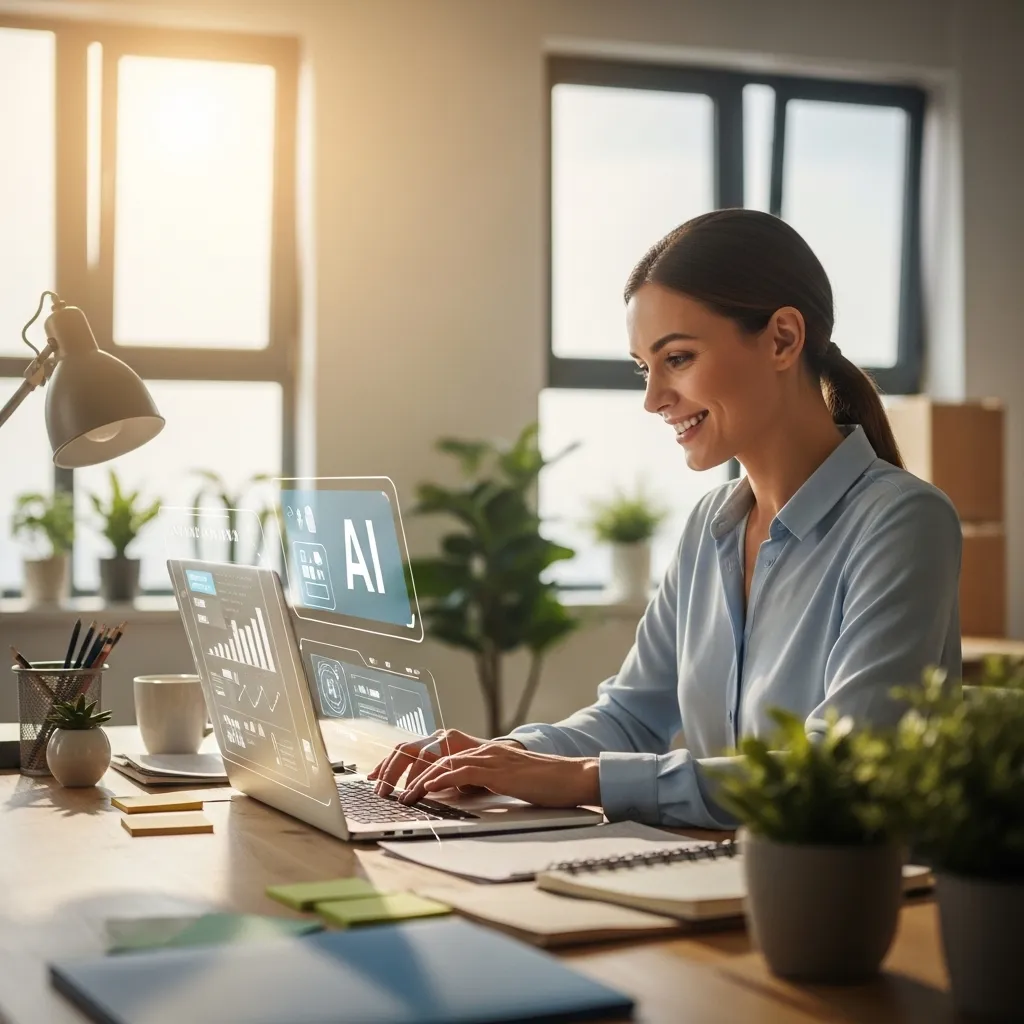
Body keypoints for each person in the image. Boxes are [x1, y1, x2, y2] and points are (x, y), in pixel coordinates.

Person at [370, 208, 962, 828]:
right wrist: (503, 757)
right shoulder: (712, 526)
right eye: (642, 368)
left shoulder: (903, 523)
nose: (653, 398)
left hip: (844, 903)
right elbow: (632, 716)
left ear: (783, 338)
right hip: (709, 879)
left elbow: (841, 770)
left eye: (677, 358)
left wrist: (584, 779)